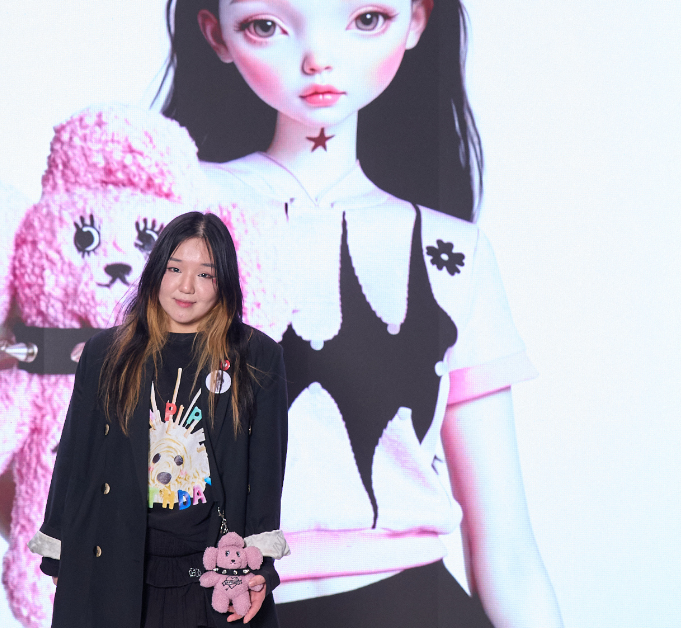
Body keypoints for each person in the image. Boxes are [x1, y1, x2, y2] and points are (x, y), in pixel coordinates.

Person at [158, 1, 564, 626]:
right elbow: (30, 442)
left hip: (415, 604)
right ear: (215, 35)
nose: (318, 58)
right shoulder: (161, 214)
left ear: (417, 20)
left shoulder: (447, 249)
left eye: (366, 18)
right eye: (266, 25)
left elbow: (507, 550)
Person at [29, 211, 289, 628]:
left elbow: (265, 471)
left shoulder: (256, 356)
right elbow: (76, 458)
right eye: (174, 269)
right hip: (115, 564)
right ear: (155, 272)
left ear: (224, 282)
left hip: (212, 573)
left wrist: (261, 567)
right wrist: (60, 556)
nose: (186, 286)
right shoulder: (105, 352)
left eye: (205, 274)